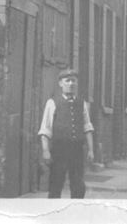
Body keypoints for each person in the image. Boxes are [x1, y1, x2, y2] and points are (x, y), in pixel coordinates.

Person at [38, 68, 95, 199]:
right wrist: (45, 151)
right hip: (59, 151)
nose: (71, 84)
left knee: (78, 186)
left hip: (77, 151)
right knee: (56, 185)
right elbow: (45, 130)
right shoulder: (52, 103)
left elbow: (87, 127)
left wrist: (91, 150)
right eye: (67, 80)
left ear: (77, 83)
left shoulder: (82, 103)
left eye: (73, 81)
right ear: (60, 83)